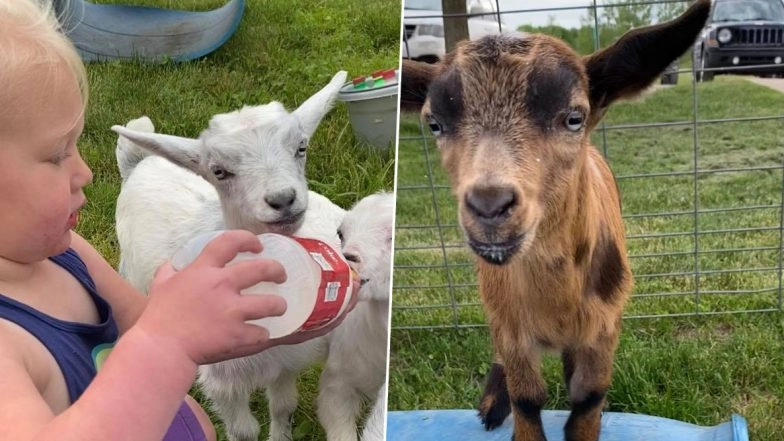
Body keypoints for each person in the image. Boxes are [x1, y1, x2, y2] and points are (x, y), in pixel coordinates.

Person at [0, 1, 357, 440]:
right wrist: (165, 342)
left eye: (77, 146)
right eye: (58, 155)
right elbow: (160, 334)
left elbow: (146, 317)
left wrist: (282, 328)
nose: (86, 172)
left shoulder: (68, 253)